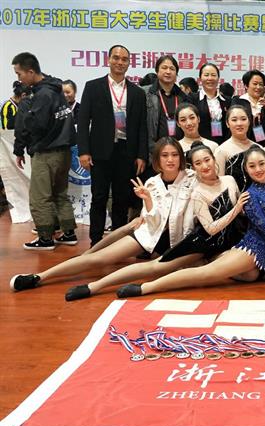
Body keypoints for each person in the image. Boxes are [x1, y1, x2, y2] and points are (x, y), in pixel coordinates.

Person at [116, 145, 265, 297]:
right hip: (252, 249)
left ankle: (260, 272)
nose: (258, 169)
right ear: (246, 169)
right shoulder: (249, 195)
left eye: (261, 164)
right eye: (252, 166)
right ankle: (147, 287)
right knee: (206, 274)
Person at [9, 137, 196, 295]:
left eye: (175, 155)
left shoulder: (192, 178)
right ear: (157, 159)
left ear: (181, 157)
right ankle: (39, 277)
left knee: (143, 262)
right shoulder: (151, 183)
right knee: (99, 259)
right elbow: (152, 221)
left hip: (177, 240)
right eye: (165, 155)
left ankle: (94, 284)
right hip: (150, 235)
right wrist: (147, 201)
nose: (170, 160)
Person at [78, 44, 148, 247]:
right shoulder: (93, 87)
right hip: (100, 152)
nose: (120, 62)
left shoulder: (137, 92)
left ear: (129, 63)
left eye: (124, 59)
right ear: (108, 60)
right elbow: (83, 121)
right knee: (99, 197)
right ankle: (95, 241)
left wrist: (141, 155)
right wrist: (84, 151)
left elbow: (142, 126)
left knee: (121, 198)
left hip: (126, 152)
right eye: (116, 58)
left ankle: (117, 241)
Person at [11, 52, 77, 250]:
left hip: (46, 151)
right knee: (60, 194)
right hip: (64, 151)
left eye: (19, 74)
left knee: (40, 197)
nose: (19, 79)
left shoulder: (40, 95)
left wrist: (21, 145)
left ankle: (45, 238)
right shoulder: (56, 89)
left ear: (30, 72)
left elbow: (34, 126)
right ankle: (68, 233)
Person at [142, 55, 190, 157]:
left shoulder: (183, 97)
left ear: (176, 73)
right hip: (152, 153)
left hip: (177, 152)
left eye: (172, 69)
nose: (168, 72)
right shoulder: (145, 93)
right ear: (157, 71)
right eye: (164, 68)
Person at [214, 105, 258, 192]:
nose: (239, 123)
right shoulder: (221, 151)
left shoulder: (259, 148)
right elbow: (219, 185)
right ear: (227, 124)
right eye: (234, 120)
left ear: (249, 122)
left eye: (243, 119)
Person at [194, 63, 231, 145]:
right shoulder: (192, 99)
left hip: (223, 144)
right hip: (200, 145)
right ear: (200, 78)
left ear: (218, 78)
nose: (210, 78)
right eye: (206, 75)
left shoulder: (228, 101)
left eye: (213, 75)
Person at [231, 70, 265, 145]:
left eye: (261, 84)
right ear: (246, 85)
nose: (258, 87)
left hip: (263, 144)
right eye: (255, 84)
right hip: (240, 143)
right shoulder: (238, 101)